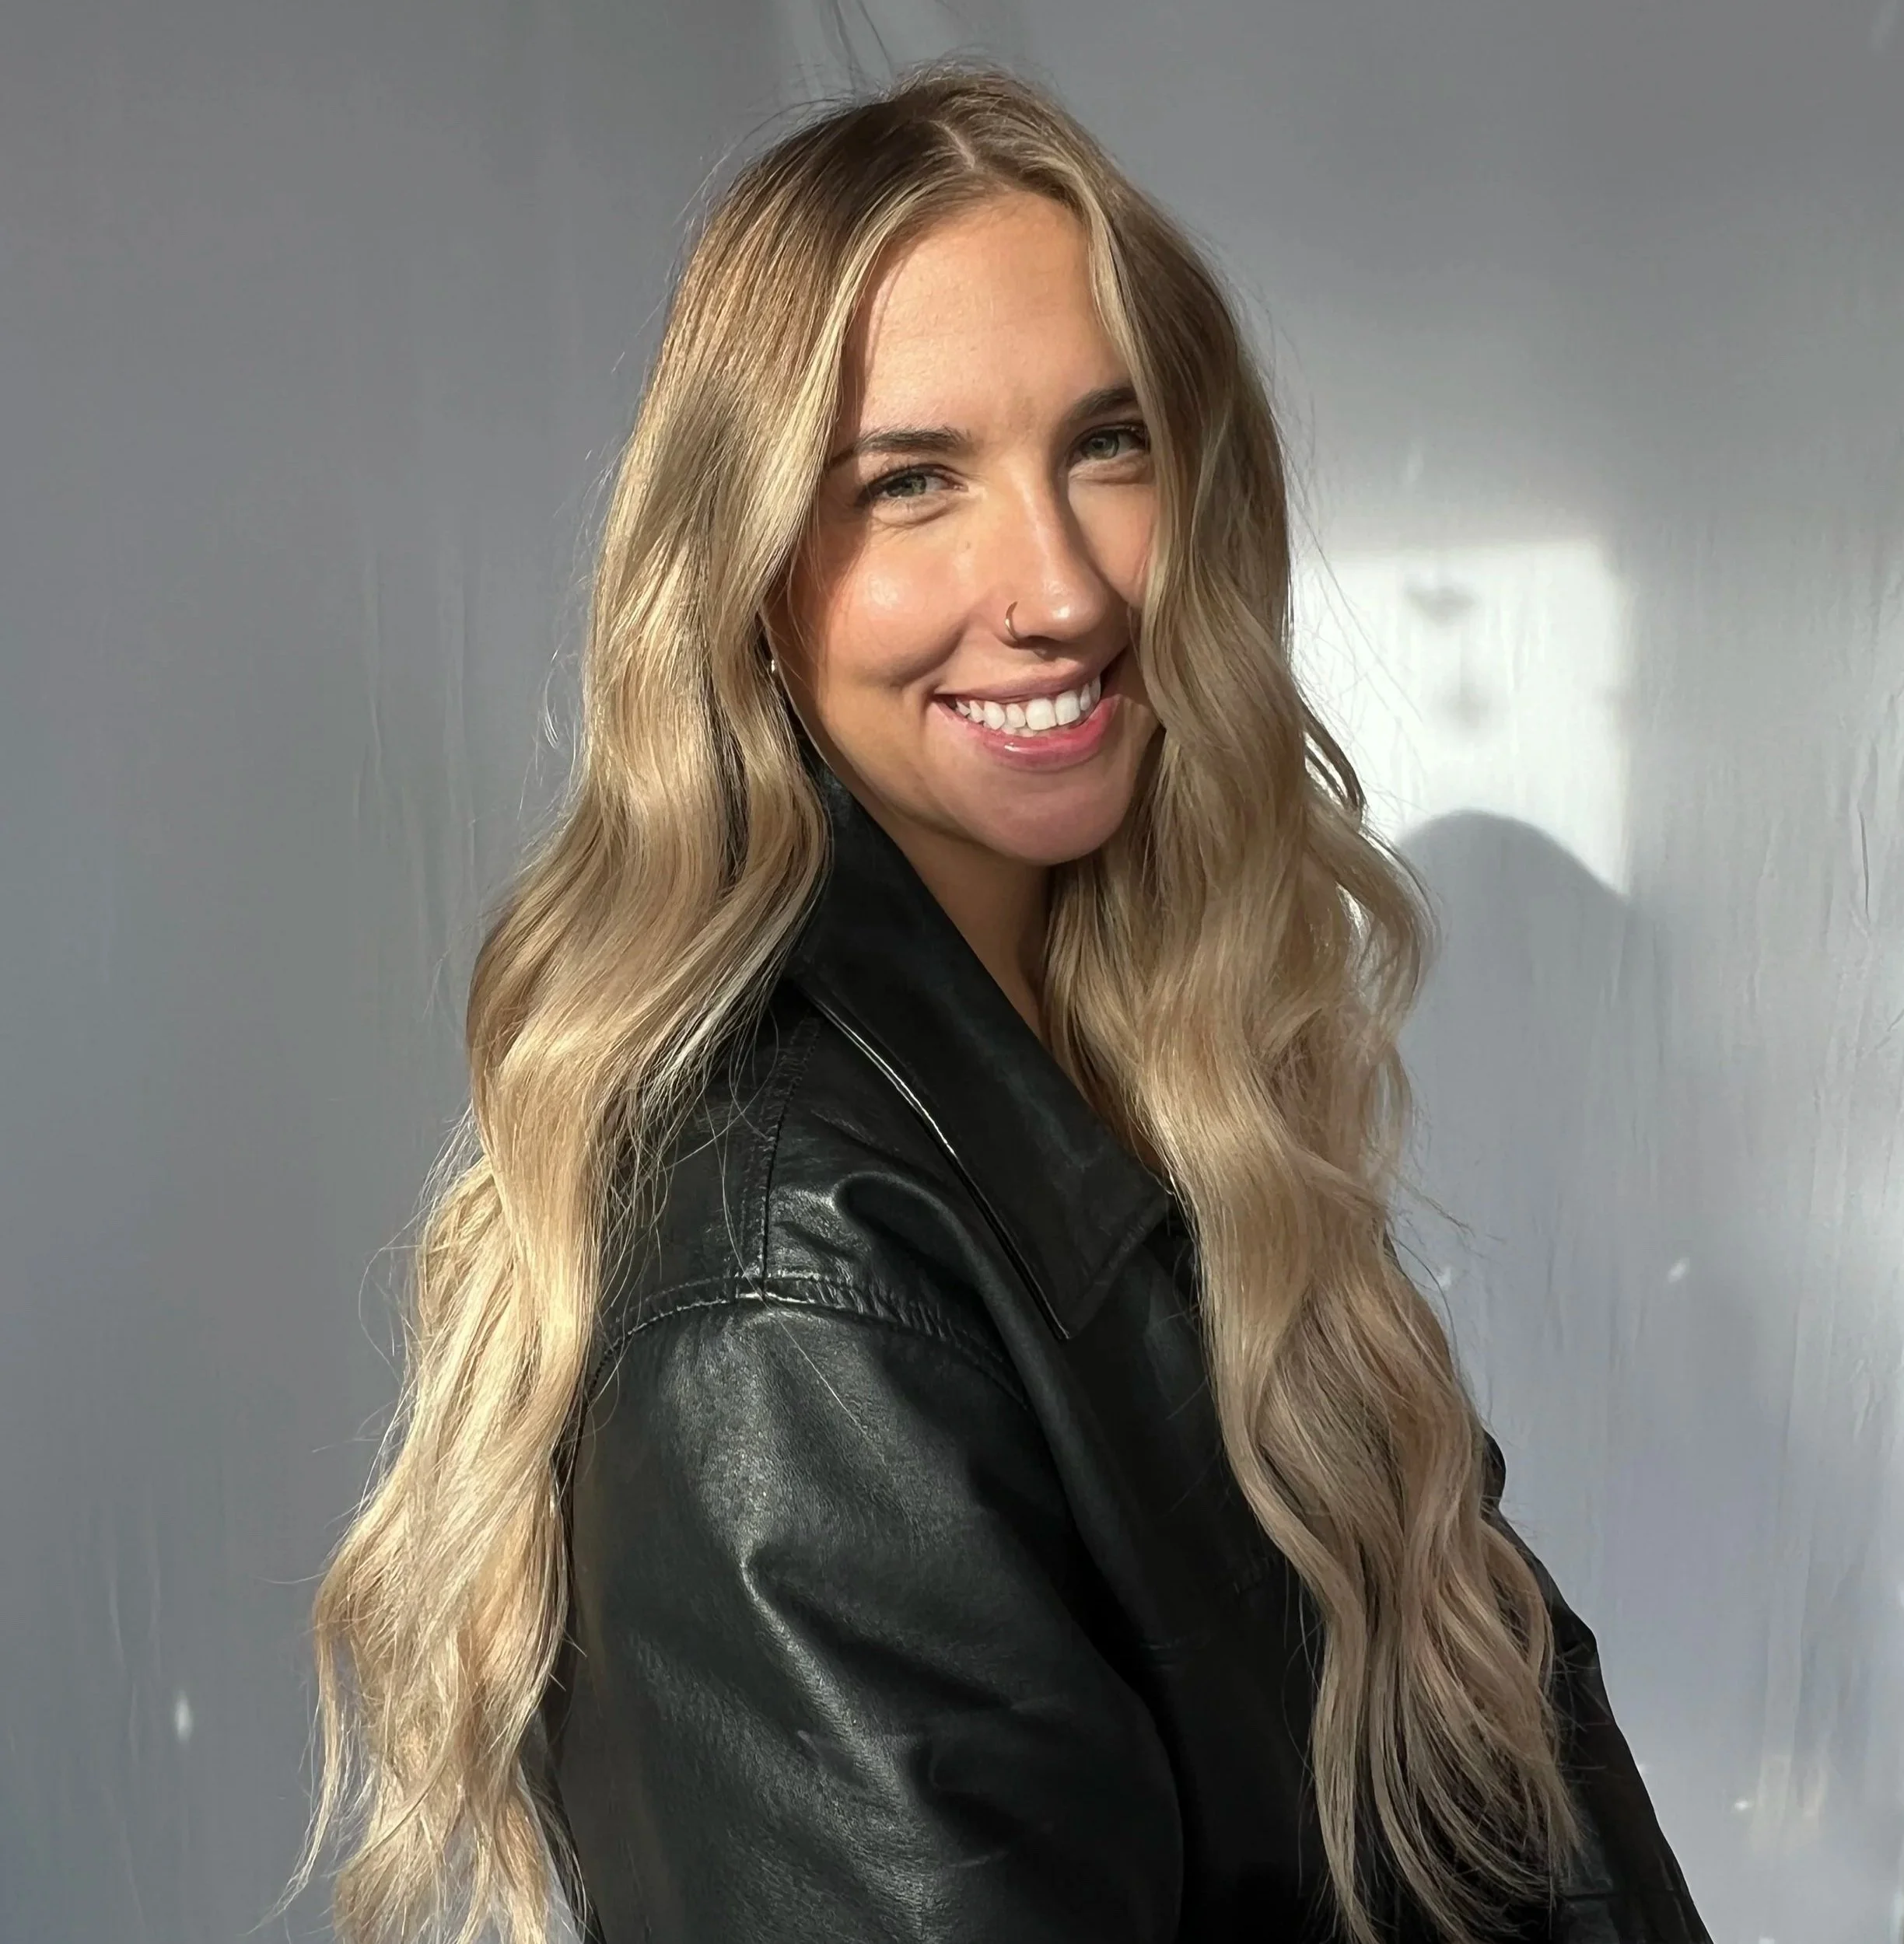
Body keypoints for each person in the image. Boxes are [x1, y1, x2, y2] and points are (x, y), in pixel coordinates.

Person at [292, 58, 1713, 1944]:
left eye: (1107, 445)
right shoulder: (791, 1289)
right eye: (910, 483)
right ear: (747, 575)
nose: (1053, 585)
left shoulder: (1130, 1078)